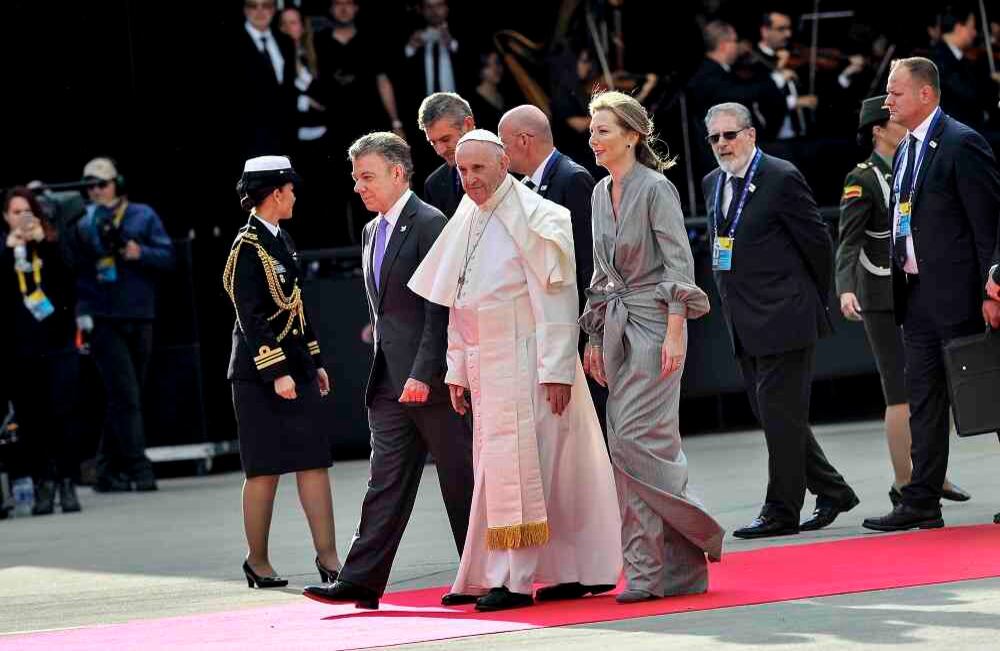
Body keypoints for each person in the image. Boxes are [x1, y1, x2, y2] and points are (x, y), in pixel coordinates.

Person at [407, 130, 622, 612]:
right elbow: (459, 302)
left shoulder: (540, 215)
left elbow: (557, 298)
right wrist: (457, 370)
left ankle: (522, 579)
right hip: (488, 365)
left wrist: (556, 371)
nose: (469, 180)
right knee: (502, 473)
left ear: (504, 164)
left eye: (478, 168)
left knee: (537, 472)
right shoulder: (467, 215)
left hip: (531, 363)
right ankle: (529, 571)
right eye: (462, 171)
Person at [302, 133, 473, 609]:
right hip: (388, 382)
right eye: (356, 178)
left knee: (460, 480)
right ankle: (361, 580)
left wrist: (424, 371)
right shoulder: (370, 231)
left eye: (367, 177)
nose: (358, 187)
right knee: (384, 483)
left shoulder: (429, 223)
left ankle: (479, 574)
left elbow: (440, 307)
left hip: (431, 382)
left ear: (398, 173)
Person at [580, 91, 723, 603]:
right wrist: (594, 336)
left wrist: (677, 330)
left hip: (655, 327)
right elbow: (600, 273)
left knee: (635, 446)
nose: (593, 139)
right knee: (642, 450)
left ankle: (645, 571)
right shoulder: (600, 193)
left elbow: (680, 265)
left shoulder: (657, 188)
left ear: (633, 135)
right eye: (593, 130)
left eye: (603, 130)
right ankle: (682, 570)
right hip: (616, 329)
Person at [701, 103, 859, 539]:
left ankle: (781, 509)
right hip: (743, 320)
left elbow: (818, 243)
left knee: (779, 416)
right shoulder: (714, 182)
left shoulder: (780, 176)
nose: (722, 144)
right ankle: (833, 489)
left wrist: (807, 300)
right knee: (777, 416)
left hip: (785, 316)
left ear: (751, 135)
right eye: (714, 138)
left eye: (730, 135)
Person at [863, 58, 1000, 532]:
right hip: (915, 293)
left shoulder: (962, 143)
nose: (887, 102)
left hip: (963, 294)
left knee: (987, 392)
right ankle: (921, 498)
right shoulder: (904, 151)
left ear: (925, 95)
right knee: (922, 396)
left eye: (895, 93)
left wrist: (993, 287)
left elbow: (988, 224)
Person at [836, 95, 971, 509]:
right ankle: (904, 479)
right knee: (899, 390)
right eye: (894, 121)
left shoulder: (911, 165)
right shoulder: (863, 177)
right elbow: (848, 240)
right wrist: (845, 286)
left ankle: (931, 472)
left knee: (933, 386)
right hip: (879, 294)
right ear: (878, 129)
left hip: (915, 289)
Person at [223, 155, 341, 588]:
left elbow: (297, 308)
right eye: (290, 189)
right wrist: (276, 371)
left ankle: (329, 559)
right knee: (264, 469)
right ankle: (257, 561)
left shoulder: (282, 240)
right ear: (276, 192)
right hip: (258, 376)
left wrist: (314, 362)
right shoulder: (246, 247)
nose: (294, 195)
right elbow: (250, 316)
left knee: (314, 461)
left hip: (296, 368)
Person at [497, 104, 606, 430]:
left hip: (574, 326)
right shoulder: (527, 187)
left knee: (591, 426)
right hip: (547, 327)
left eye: (504, 144)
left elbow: (590, 262)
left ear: (524, 140)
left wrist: (593, 334)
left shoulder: (571, 179)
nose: (502, 154)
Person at [73, 157, 174, 493]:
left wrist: (138, 252)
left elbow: (167, 255)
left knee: (126, 396)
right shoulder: (81, 219)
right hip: (103, 317)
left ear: (117, 182)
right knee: (125, 394)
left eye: (101, 183)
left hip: (139, 312)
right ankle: (137, 467)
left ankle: (104, 468)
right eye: (90, 185)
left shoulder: (141, 215)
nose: (96, 190)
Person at [0, 188, 81, 515]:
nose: (22, 218)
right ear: (6, 217)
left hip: (57, 343)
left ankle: (67, 481)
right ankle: (43, 481)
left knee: (63, 413)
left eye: (27, 211)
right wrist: (8, 255)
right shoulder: (4, 249)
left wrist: (46, 243)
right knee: (32, 418)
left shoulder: (49, 243)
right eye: (15, 212)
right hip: (21, 349)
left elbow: (70, 282)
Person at [684, 21, 784, 180]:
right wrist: (775, 79)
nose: (738, 46)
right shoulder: (707, 76)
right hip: (721, 155)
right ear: (724, 45)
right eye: (735, 41)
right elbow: (740, 94)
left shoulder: (719, 72)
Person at [233, 0, 297, 158]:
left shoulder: (285, 41)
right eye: (254, 6)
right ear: (245, 10)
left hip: (283, 139)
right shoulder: (231, 44)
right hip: (245, 141)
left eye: (266, 5)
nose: (260, 11)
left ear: (274, 9)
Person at [744, 11, 818, 140]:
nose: (788, 34)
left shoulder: (792, 55)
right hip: (774, 141)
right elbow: (760, 100)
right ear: (765, 31)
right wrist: (780, 70)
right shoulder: (751, 61)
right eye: (781, 29)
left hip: (804, 138)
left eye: (789, 29)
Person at [417, 92, 475, 218]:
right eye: (433, 143)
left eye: (445, 139)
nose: (440, 151)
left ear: (468, 125)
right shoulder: (433, 185)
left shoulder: (510, 165)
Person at [467, 51, 506, 132]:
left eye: (497, 63)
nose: (495, 69)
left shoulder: (506, 95)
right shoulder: (472, 104)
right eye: (488, 66)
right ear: (480, 72)